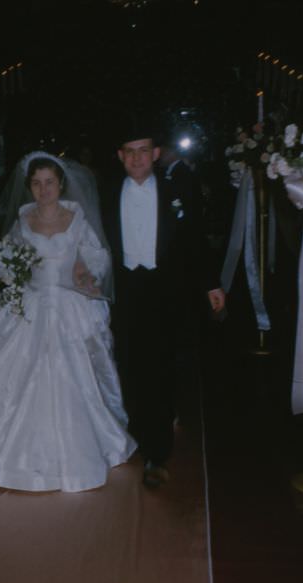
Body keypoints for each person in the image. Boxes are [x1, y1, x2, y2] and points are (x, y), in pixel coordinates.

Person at [0, 152, 136, 492]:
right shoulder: (22, 219)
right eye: (36, 183)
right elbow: (9, 256)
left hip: (68, 304)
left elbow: (98, 254)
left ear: (60, 184)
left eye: (49, 182)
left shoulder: (77, 218)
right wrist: (7, 271)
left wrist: (85, 269)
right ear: (29, 187)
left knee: (73, 372)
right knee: (8, 372)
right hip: (29, 305)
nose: (43, 189)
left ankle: (81, 447)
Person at [103, 128, 225, 488]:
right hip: (126, 291)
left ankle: (157, 453)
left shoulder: (177, 191)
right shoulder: (107, 193)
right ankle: (139, 432)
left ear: (156, 154)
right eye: (129, 151)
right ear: (120, 155)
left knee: (162, 366)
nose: (137, 158)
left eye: (143, 150)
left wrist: (211, 283)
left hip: (166, 289)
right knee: (130, 363)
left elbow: (195, 239)